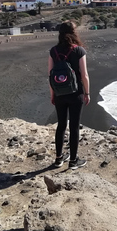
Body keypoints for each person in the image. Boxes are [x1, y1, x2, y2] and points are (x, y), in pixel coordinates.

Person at [48, 21, 90, 169]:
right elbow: (84, 75)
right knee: (74, 126)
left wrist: (53, 94)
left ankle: (59, 159)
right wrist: (87, 93)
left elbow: (50, 74)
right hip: (75, 93)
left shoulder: (53, 51)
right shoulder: (79, 50)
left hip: (59, 93)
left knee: (61, 125)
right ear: (74, 32)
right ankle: (73, 161)